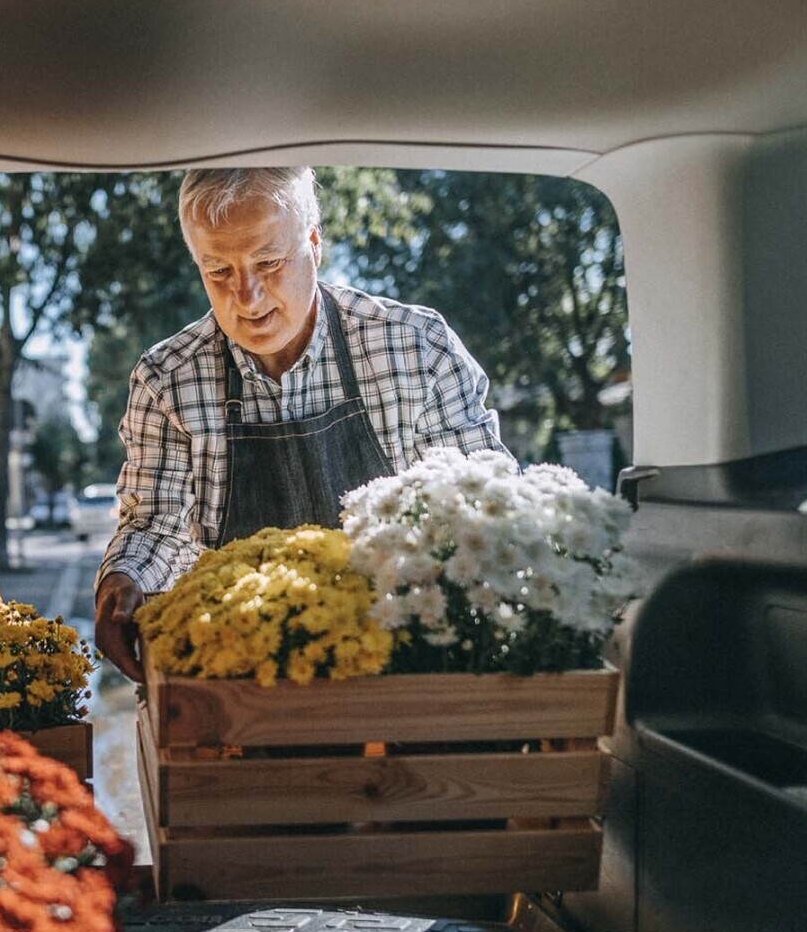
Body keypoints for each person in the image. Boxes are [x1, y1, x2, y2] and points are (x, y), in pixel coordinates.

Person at [95, 167, 507, 682]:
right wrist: (122, 579)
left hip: (402, 663)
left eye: (268, 262)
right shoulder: (167, 381)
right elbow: (157, 523)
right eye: (218, 271)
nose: (247, 296)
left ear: (314, 243)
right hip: (244, 675)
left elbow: (477, 511)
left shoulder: (416, 348)